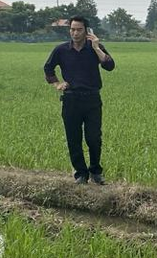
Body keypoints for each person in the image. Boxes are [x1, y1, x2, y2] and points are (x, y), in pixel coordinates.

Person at [43, 15, 115, 184]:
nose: (75, 33)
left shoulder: (94, 47)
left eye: (79, 30)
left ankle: (96, 172)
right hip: (71, 100)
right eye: (72, 29)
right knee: (73, 139)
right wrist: (57, 84)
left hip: (92, 100)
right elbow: (48, 68)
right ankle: (81, 174)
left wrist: (97, 48)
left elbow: (110, 66)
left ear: (86, 31)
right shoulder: (61, 50)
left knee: (93, 138)